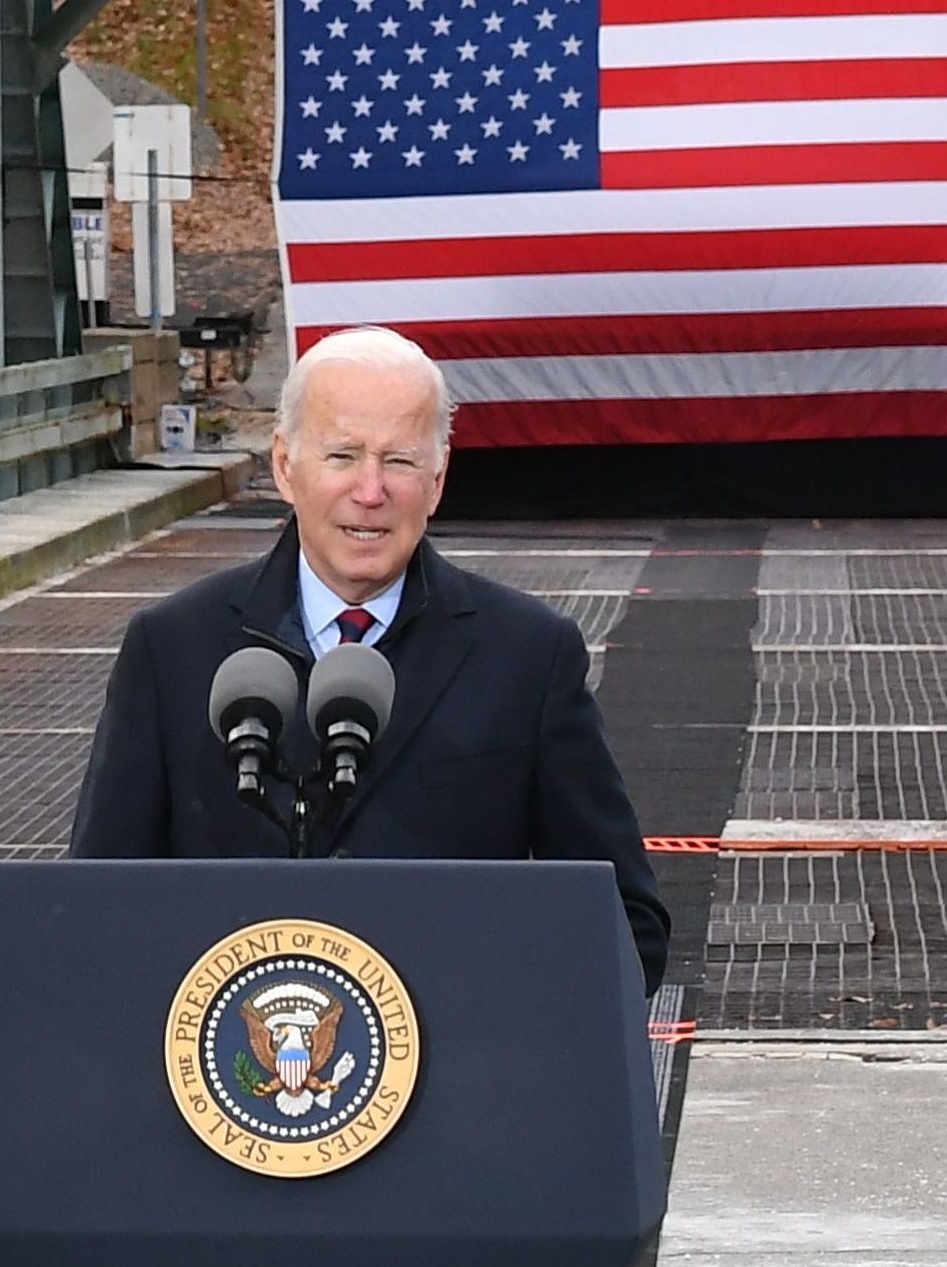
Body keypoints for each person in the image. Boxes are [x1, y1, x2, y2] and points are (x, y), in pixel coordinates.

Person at [65, 322, 670, 983]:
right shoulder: (173, 648)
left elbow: (623, 922)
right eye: (342, 455)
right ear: (283, 465)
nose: (371, 490)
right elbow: (93, 910)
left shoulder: (528, 655)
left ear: (437, 479)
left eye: (400, 461)